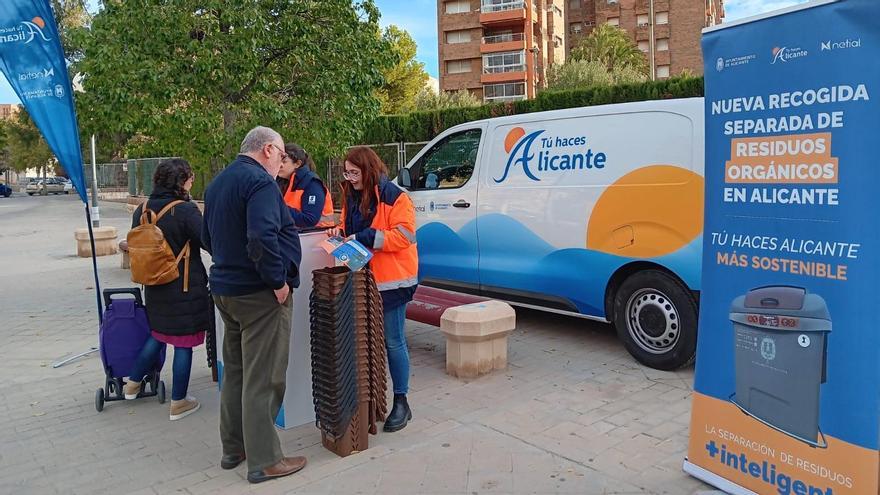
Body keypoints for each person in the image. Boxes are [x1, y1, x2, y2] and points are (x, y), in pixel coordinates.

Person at [201, 126, 306, 484]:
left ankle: (234, 448)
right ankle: (264, 460)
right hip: (259, 295)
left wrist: (230, 266)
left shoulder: (218, 183)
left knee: (237, 373)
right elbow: (262, 236)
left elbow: (207, 236)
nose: (281, 162)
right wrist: (276, 281)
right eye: (280, 154)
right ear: (267, 150)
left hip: (226, 290)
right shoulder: (260, 183)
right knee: (264, 377)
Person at [327, 146, 418, 432]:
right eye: (347, 172)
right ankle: (370, 403)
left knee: (393, 341)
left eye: (354, 172)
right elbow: (347, 226)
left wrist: (365, 237)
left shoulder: (395, 196)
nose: (350, 177)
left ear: (368, 170)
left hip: (393, 282)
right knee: (367, 343)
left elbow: (404, 236)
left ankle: (401, 401)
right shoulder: (352, 195)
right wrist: (339, 235)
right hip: (361, 278)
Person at [123, 158, 210, 421]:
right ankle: (179, 401)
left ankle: (132, 384)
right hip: (184, 286)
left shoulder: (142, 209)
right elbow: (207, 241)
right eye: (190, 178)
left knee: (159, 334)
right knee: (183, 342)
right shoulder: (185, 210)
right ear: (180, 181)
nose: (192, 182)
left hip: (154, 284)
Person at [276, 142, 335, 229]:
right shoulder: (284, 182)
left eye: (284, 162)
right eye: (278, 161)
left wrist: (277, 207)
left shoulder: (312, 183)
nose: (280, 165)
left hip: (316, 235)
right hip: (297, 234)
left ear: (297, 164)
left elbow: (310, 219)